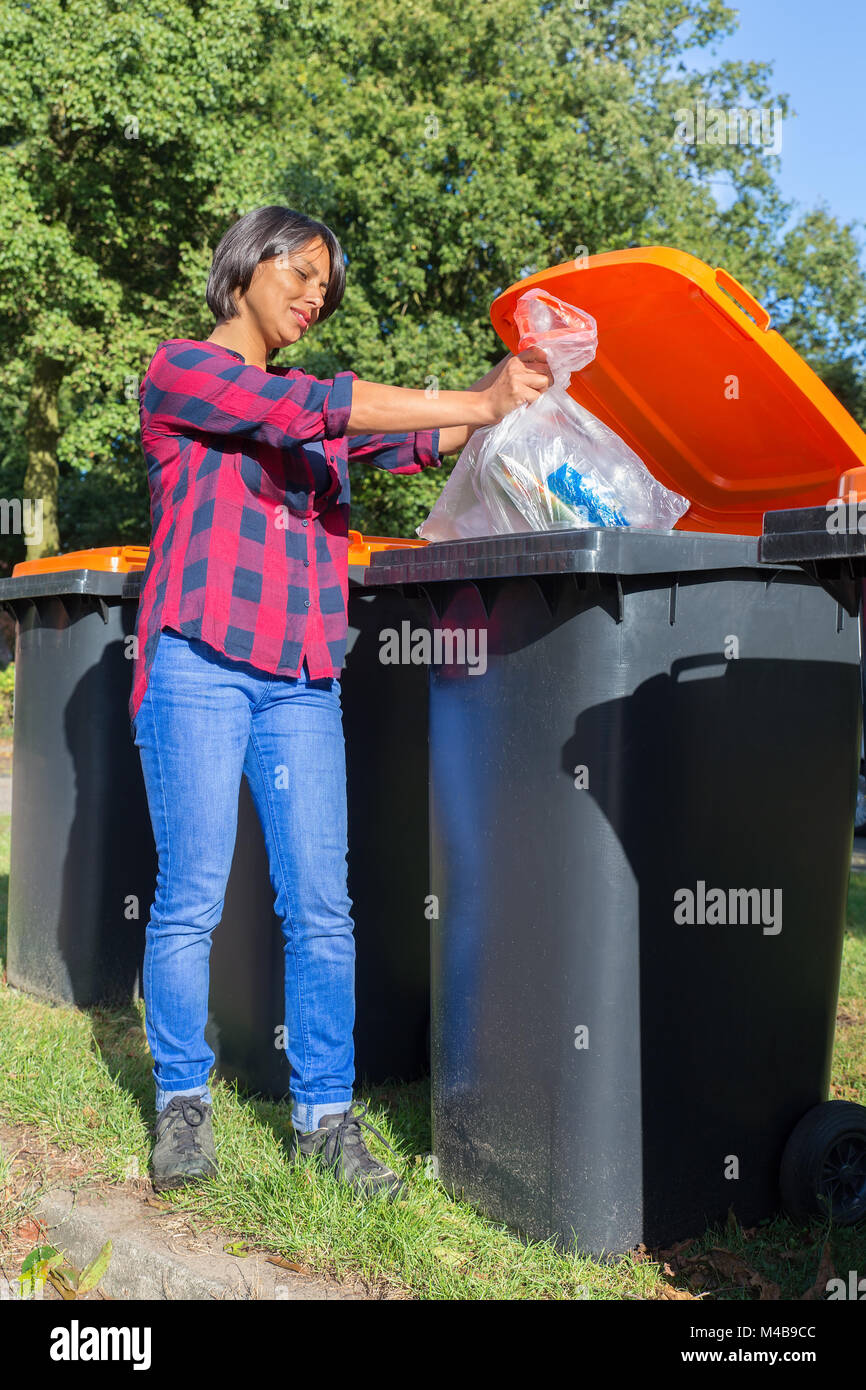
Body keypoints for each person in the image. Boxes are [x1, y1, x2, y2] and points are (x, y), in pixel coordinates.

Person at [129, 204, 552, 1197]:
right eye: (304, 272)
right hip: (196, 660)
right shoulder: (182, 371)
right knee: (192, 895)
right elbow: (308, 409)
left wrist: (516, 393)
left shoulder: (312, 414)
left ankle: (325, 1119)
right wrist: (475, 399)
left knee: (321, 904)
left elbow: (413, 437)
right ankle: (181, 1104)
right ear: (246, 264)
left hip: (301, 677)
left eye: (329, 285)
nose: (317, 294)